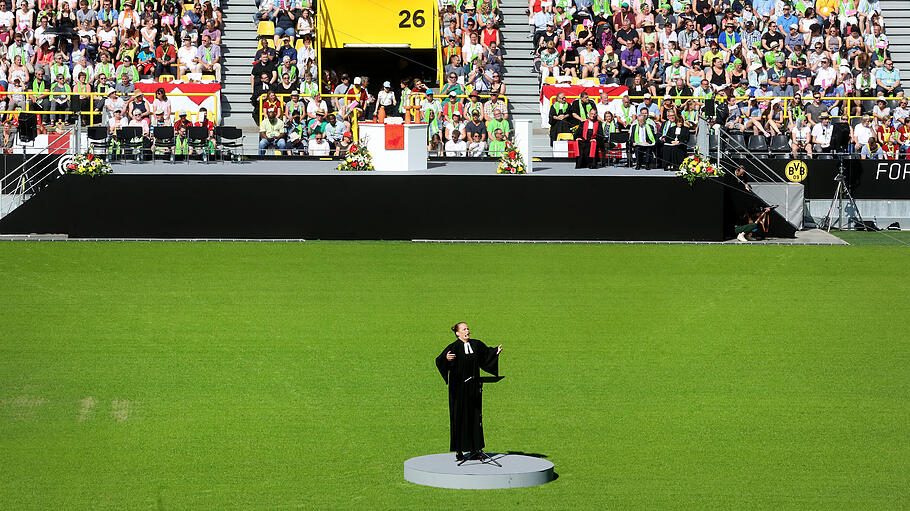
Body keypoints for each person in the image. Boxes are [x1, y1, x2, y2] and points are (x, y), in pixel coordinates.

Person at [435, 322, 502, 463]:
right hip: (458, 390)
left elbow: (486, 356)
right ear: (457, 333)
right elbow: (439, 360)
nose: (467, 331)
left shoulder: (476, 345)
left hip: (473, 389)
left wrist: (495, 352)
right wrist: (446, 359)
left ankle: (475, 450)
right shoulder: (453, 347)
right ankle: (459, 450)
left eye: (468, 328)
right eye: (464, 329)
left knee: (474, 418)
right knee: (458, 417)